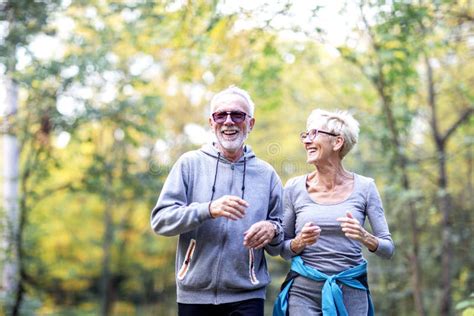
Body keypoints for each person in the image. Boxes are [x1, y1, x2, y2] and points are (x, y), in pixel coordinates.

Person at [151, 86, 283, 316]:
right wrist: (208, 209)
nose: (228, 121)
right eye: (220, 115)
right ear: (211, 123)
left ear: (250, 123)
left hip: (248, 295)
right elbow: (161, 221)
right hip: (194, 294)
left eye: (237, 115)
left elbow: (280, 240)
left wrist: (272, 229)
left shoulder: (267, 174)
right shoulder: (189, 164)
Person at [274, 109, 395, 316]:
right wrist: (299, 242)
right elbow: (280, 249)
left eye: (314, 134)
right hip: (303, 292)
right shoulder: (294, 187)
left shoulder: (365, 187)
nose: (306, 141)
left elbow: (388, 248)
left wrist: (365, 237)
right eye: (305, 135)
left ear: (337, 142)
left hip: (350, 291)